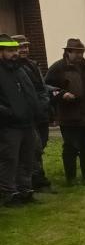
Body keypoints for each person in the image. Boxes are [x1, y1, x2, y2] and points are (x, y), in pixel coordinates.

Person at [45, 37, 85, 183]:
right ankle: (71, 178)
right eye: (76, 52)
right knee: (71, 147)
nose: (80, 55)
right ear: (68, 52)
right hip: (68, 115)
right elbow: (47, 87)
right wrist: (62, 94)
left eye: (81, 52)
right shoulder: (58, 67)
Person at [0, 34, 40, 206]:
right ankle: (9, 193)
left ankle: (25, 190)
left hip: (28, 123)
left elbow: (32, 92)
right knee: (9, 160)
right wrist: (9, 113)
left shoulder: (20, 70)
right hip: (8, 125)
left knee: (27, 159)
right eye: (10, 50)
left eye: (15, 49)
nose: (15, 53)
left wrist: (36, 110)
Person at [13, 34, 52, 191]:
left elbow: (41, 87)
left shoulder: (33, 65)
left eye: (26, 46)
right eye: (21, 47)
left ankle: (34, 180)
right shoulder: (13, 68)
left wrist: (53, 94)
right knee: (34, 148)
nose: (25, 49)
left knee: (40, 146)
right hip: (26, 115)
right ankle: (36, 181)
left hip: (40, 112)